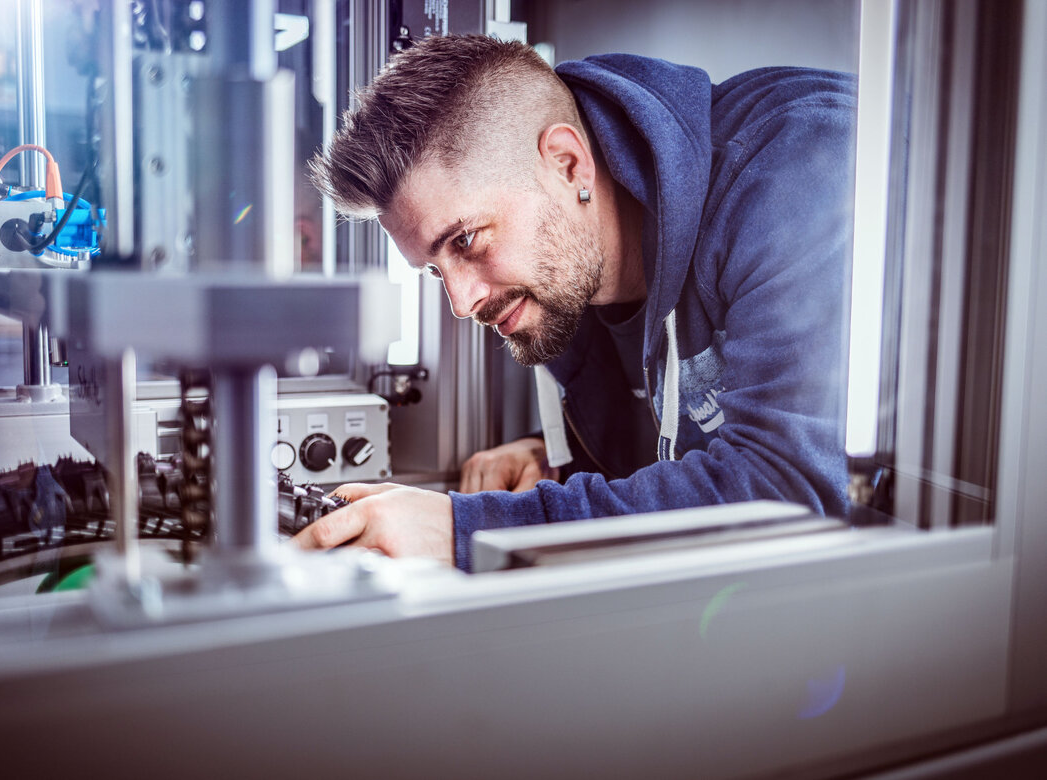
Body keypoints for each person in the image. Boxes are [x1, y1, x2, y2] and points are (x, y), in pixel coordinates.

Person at [297, 34, 856, 572]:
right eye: (436, 271)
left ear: (568, 164)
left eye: (466, 241)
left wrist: (464, 529)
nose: (463, 304)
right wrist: (554, 458)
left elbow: (790, 493)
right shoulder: (578, 281)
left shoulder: (798, 171)